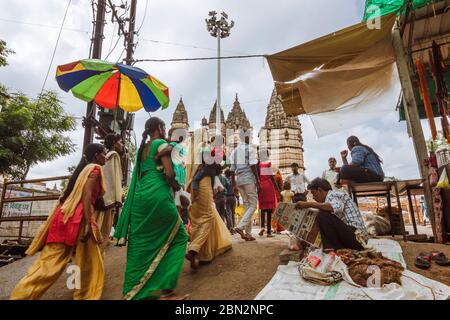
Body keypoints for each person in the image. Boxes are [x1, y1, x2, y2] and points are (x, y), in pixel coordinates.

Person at [11, 144, 108, 300]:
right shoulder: (95, 169)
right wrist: (90, 222)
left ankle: (21, 295)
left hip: (64, 217)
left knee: (51, 262)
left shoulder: (83, 170)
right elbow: (87, 194)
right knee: (85, 262)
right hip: (78, 219)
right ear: (97, 155)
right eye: (104, 153)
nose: (106, 156)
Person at [114, 117, 188, 300]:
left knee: (140, 245)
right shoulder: (161, 143)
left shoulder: (141, 151)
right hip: (158, 196)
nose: (165, 130)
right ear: (160, 128)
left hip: (140, 199)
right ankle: (168, 290)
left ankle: (132, 293)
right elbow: (169, 173)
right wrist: (179, 189)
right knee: (179, 238)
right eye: (164, 127)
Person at [185, 128, 232, 269]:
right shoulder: (204, 148)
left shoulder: (194, 150)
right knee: (208, 216)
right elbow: (210, 166)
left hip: (193, 184)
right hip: (203, 183)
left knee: (199, 218)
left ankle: (204, 254)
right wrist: (219, 164)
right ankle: (194, 249)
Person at [294, 178, 368, 251]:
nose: (313, 197)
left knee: (322, 215)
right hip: (352, 238)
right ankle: (335, 249)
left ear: (320, 190)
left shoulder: (333, 194)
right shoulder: (328, 200)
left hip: (357, 238)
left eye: (314, 193)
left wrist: (309, 204)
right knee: (320, 216)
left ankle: (332, 250)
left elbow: (334, 207)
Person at [230, 130, 260, 241]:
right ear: (246, 138)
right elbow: (253, 165)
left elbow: (232, 169)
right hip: (248, 179)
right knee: (253, 204)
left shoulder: (234, 151)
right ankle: (240, 227)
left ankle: (248, 233)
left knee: (247, 205)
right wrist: (258, 180)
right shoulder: (250, 149)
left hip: (239, 180)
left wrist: (233, 184)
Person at [95, 134, 123, 252]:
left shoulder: (105, 155)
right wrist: (118, 198)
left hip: (102, 197)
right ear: (114, 143)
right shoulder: (113, 156)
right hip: (108, 198)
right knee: (103, 233)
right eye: (120, 142)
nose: (122, 145)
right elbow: (112, 178)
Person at [257, 149, 281, 238]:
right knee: (269, 210)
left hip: (261, 187)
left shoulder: (258, 165)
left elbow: (257, 177)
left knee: (263, 208)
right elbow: (271, 177)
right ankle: (268, 232)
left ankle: (262, 227)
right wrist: (278, 190)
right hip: (269, 187)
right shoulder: (268, 165)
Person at [224, 169, 237, 233]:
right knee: (233, 213)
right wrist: (237, 198)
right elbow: (236, 189)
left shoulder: (224, 180)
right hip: (233, 197)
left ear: (225, 174)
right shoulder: (233, 180)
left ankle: (231, 228)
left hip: (227, 197)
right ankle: (233, 227)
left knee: (228, 213)